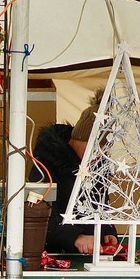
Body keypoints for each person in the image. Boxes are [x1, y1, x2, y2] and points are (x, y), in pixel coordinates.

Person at [30, 90, 118, 255]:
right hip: (52, 256)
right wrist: (75, 237)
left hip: (90, 257)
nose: (96, 157)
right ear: (78, 139)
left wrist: (108, 231)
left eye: (101, 152)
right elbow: (38, 218)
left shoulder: (98, 166)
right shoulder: (45, 165)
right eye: (93, 150)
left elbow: (102, 208)